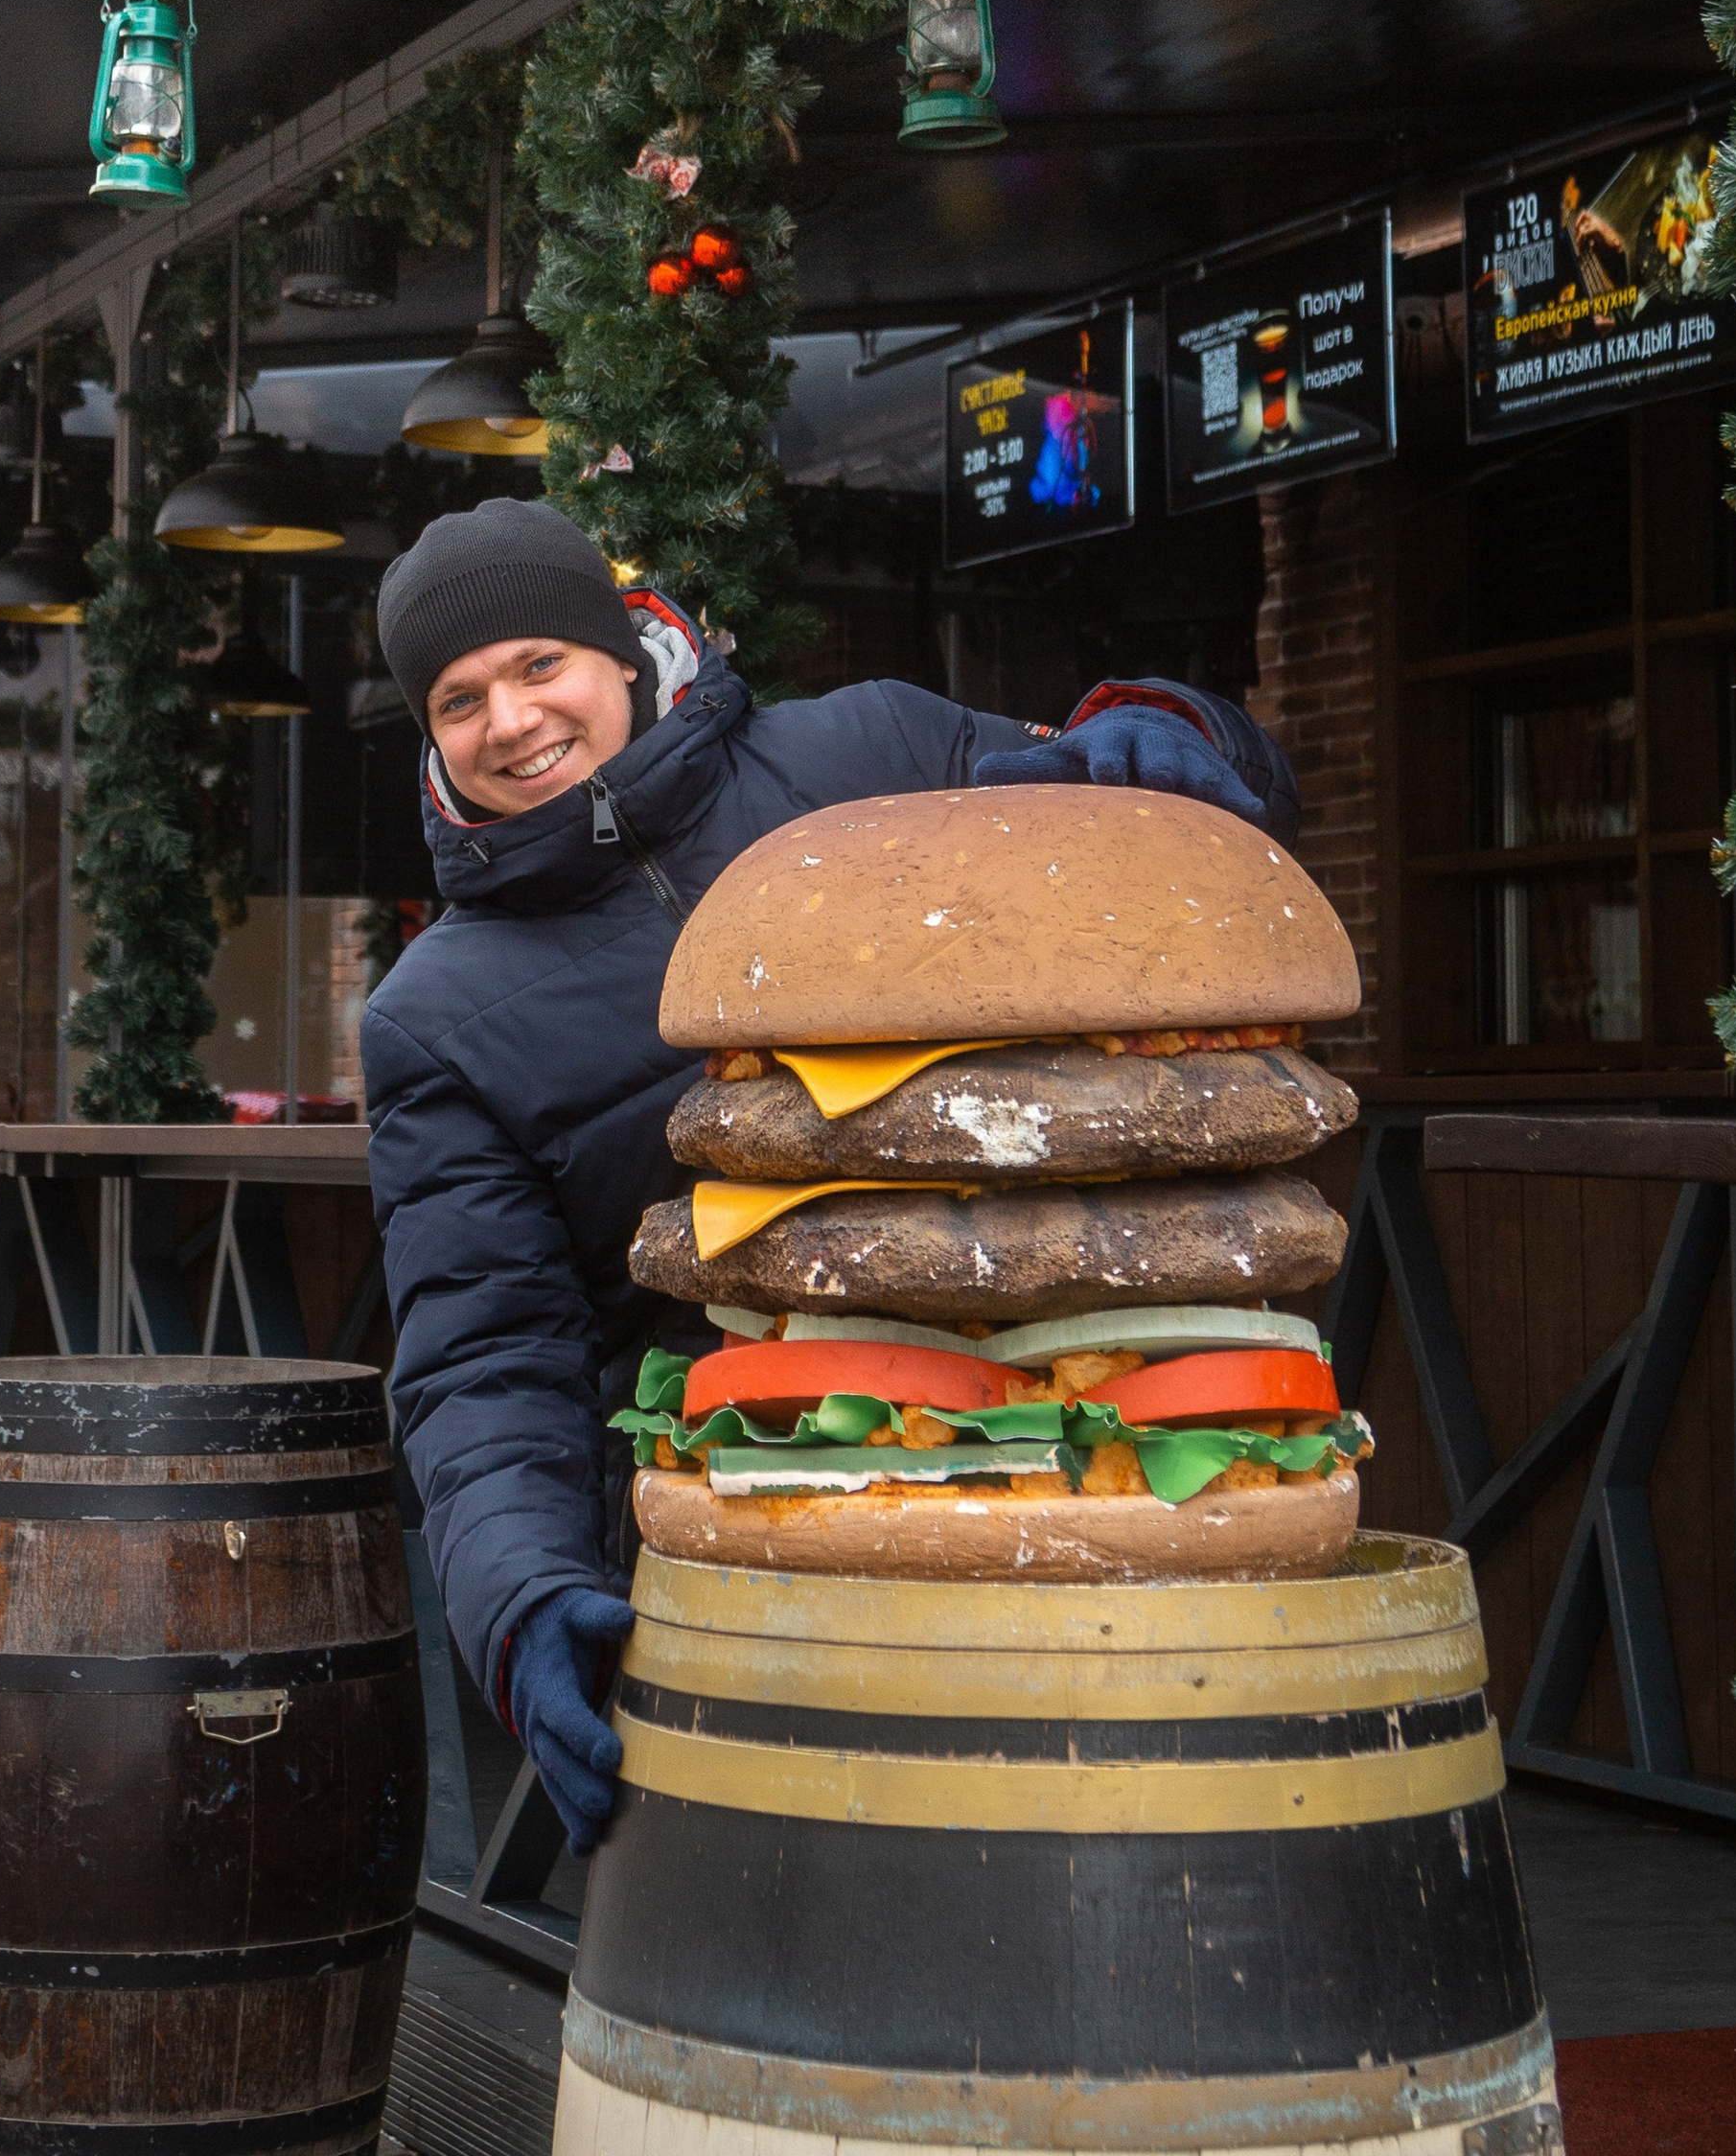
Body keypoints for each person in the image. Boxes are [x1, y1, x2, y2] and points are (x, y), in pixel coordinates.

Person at [363, 498, 1302, 1851]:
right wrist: (519, 1600)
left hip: (1106, 1414)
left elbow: (1162, 826)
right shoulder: (432, 1016)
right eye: (459, 700)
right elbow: (483, 1350)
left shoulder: (869, 745)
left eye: (536, 667)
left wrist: (1178, 730)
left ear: (620, 655)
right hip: (769, 1496)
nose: (509, 721)